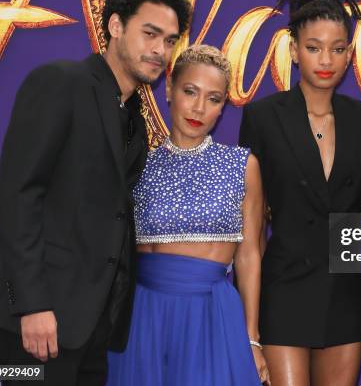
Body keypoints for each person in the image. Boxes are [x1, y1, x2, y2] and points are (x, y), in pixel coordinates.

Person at [0, 0, 191, 385]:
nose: (160, 51)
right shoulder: (61, 82)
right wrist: (32, 305)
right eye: (149, 34)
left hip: (93, 322)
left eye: (169, 41)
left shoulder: (131, 114)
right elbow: (19, 195)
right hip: (38, 320)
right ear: (115, 26)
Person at [239, 0, 361, 385]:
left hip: (344, 295)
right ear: (293, 49)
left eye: (338, 49)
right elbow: (250, 235)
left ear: (350, 53)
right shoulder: (263, 117)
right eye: (314, 47)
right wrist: (250, 332)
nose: (326, 59)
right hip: (283, 291)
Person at [107, 44, 268, 385]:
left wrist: (252, 338)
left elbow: (250, 256)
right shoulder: (139, 164)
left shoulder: (241, 165)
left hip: (210, 315)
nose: (199, 108)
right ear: (169, 89)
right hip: (142, 317)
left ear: (224, 106)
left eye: (214, 98)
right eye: (190, 91)